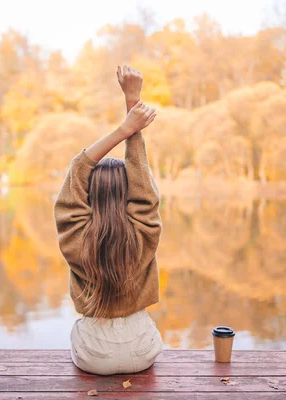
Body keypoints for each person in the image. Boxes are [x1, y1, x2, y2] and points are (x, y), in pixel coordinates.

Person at [54, 65, 163, 375]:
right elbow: (141, 179)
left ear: (88, 196)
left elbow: (79, 167)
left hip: (94, 355)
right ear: (129, 194)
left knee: (78, 332)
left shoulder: (75, 236)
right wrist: (133, 104)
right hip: (142, 349)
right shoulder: (146, 230)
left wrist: (123, 128)